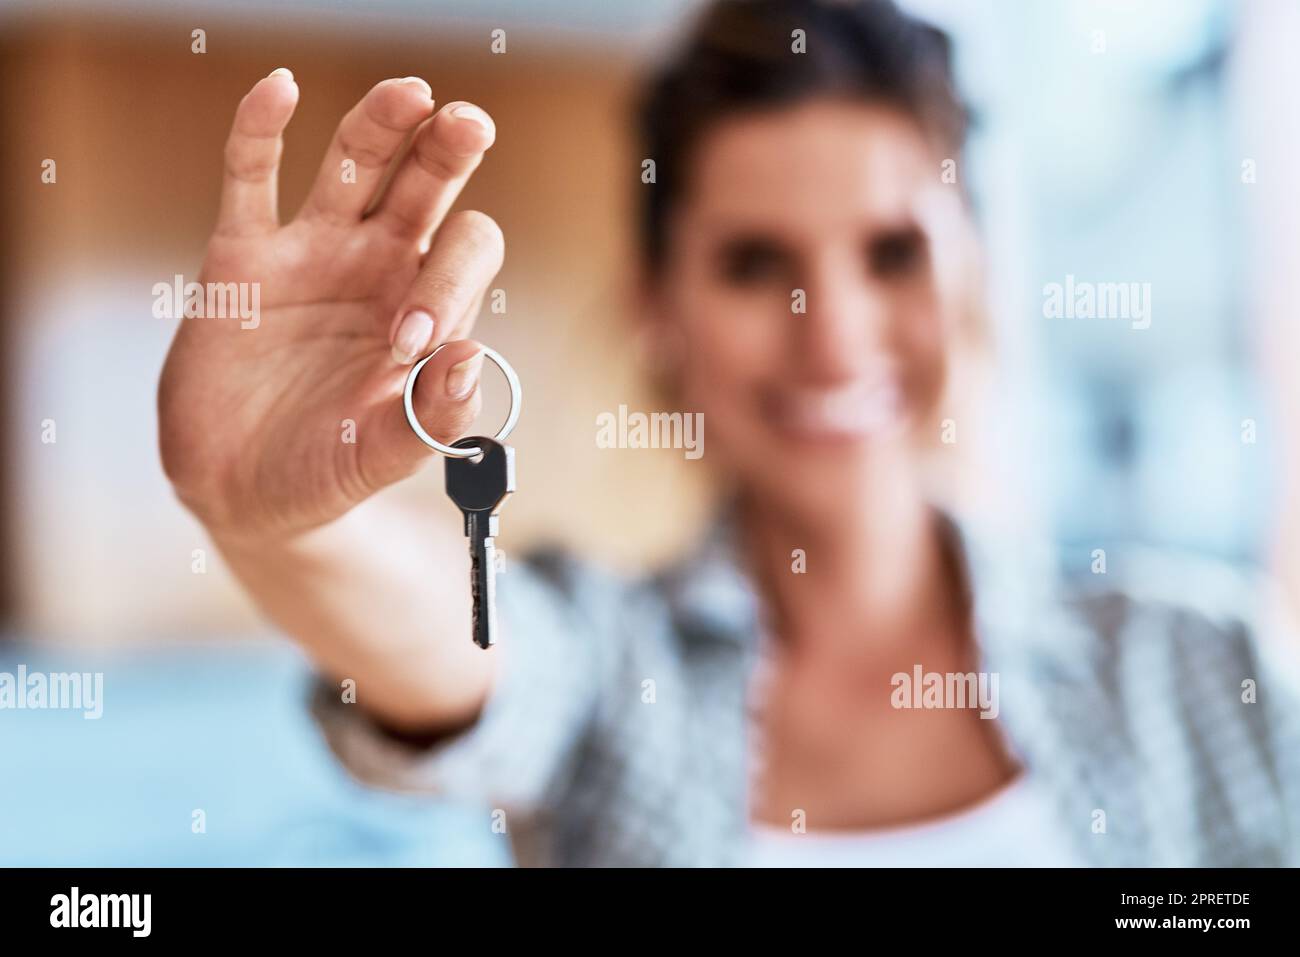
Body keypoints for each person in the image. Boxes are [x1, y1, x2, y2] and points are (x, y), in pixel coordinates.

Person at [158, 0, 1300, 866]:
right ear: (659, 306)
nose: (833, 333)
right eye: (756, 264)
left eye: (891, 252)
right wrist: (264, 519)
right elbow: (468, 656)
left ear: (972, 275)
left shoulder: (1204, 665)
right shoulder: (613, 677)